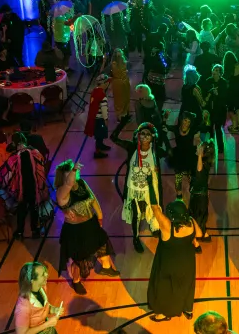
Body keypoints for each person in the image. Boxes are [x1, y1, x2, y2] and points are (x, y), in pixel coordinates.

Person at [54, 160, 119, 295]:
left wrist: (100, 216)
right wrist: (73, 171)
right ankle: (76, 281)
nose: (74, 175)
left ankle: (106, 267)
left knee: (101, 243)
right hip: (76, 231)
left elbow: (93, 199)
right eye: (70, 174)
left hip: (91, 223)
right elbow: (69, 183)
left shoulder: (82, 183)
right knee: (78, 258)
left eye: (75, 172)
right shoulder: (62, 192)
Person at [111, 117, 168, 252]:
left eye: (148, 134)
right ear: (137, 135)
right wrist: (123, 122)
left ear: (152, 137)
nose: (144, 136)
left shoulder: (156, 151)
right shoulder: (132, 148)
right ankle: (135, 238)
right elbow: (113, 137)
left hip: (150, 189)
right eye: (142, 133)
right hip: (134, 189)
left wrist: (164, 134)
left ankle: (154, 227)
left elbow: (169, 153)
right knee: (136, 214)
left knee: (154, 209)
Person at [146, 200, 202, 321]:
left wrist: (151, 184)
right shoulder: (191, 222)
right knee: (187, 285)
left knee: (164, 287)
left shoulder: (167, 227)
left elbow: (155, 208)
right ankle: (188, 310)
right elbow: (200, 233)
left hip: (168, 263)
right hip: (187, 261)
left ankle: (164, 313)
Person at [0, 133, 49, 239]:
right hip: (34, 187)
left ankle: (20, 231)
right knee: (34, 208)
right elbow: (41, 166)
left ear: (14, 143)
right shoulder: (36, 153)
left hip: (22, 189)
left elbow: (6, 174)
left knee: (21, 209)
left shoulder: (14, 158)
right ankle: (35, 231)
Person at [14, 262, 62, 334]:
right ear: (32, 281)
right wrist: (47, 324)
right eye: (43, 274)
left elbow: (44, 307)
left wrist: (53, 309)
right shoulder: (23, 308)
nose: (47, 275)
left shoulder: (42, 287)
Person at [189, 138, 217, 243]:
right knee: (199, 214)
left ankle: (198, 235)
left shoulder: (203, 163)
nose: (197, 147)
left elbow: (199, 171)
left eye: (200, 147)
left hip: (199, 195)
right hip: (199, 193)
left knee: (198, 215)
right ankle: (201, 232)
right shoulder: (204, 161)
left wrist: (199, 156)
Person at [199, 64, 228, 154]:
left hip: (219, 110)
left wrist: (217, 94)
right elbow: (204, 94)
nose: (214, 72)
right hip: (209, 110)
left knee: (218, 128)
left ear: (220, 73)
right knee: (209, 128)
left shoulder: (223, 82)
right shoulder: (208, 81)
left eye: (216, 71)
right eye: (213, 70)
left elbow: (225, 97)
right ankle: (211, 146)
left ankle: (220, 147)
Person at [171, 112, 200, 201]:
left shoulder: (193, 131)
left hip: (190, 157)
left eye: (189, 122)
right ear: (181, 120)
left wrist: (197, 141)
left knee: (192, 176)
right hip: (179, 156)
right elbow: (164, 127)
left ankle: (193, 191)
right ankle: (179, 196)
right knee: (178, 177)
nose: (186, 123)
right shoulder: (176, 129)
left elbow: (197, 143)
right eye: (185, 120)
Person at [84, 75, 111, 159]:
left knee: (99, 135)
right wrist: (106, 119)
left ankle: (101, 145)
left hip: (95, 118)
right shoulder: (102, 94)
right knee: (99, 135)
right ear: (104, 84)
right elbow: (104, 108)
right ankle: (98, 152)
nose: (108, 84)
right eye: (107, 82)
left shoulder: (95, 91)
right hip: (100, 119)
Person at [143, 40, 170, 109]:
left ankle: (156, 109)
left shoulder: (161, 56)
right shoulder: (157, 56)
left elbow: (166, 66)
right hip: (155, 79)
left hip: (156, 79)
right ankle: (156, 110)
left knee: (157, 95)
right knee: (157, 94)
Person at [108, 50, 131, 119]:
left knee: (126, 98)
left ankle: (125, 113)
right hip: (118, 83)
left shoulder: (124, 62)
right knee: (119, 100)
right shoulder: (114, 64)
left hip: (124, 82)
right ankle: (120, 115)